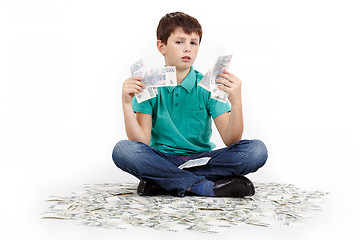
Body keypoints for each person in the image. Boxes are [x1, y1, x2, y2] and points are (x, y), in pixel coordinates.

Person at [112, 12, 267, 198]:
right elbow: (140, 142)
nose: (188, 49)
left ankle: (164, 182)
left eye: (193, 43)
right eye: (179, 42)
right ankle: (202, 187)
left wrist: (236, 102)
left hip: (202, 160)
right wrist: (126, 103)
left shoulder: (208, 86)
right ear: (162, 46)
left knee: (257, 150)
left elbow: (231, 139)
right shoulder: (149, 86)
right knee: (123, 150)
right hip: (162, 158)